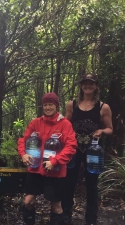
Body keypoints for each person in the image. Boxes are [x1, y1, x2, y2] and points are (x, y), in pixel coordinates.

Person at [17, 92, 77, 225]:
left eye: (51, 104)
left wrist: (55, 161)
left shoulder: (65, 124)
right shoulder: (35, 123)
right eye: (45, 105)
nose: (48, 107)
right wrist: (23, 154)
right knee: (28, 201)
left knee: (56, 206)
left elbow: (71, 146)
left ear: (56, 106)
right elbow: (23, 140)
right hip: (35, 170)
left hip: (55, 172)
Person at [61, 73, 113, 225]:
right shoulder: (72, 104)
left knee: (91, 183)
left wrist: (102, 131)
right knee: (69, 181)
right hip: (73, 149)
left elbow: (110, 129)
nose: (88, 86)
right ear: (81, 85)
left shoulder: (103, 107)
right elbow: (65, 125)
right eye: (85, 83)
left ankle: (91, 218)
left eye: (91, 83)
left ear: (96, 86)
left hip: (93, 151)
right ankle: (66, 214)